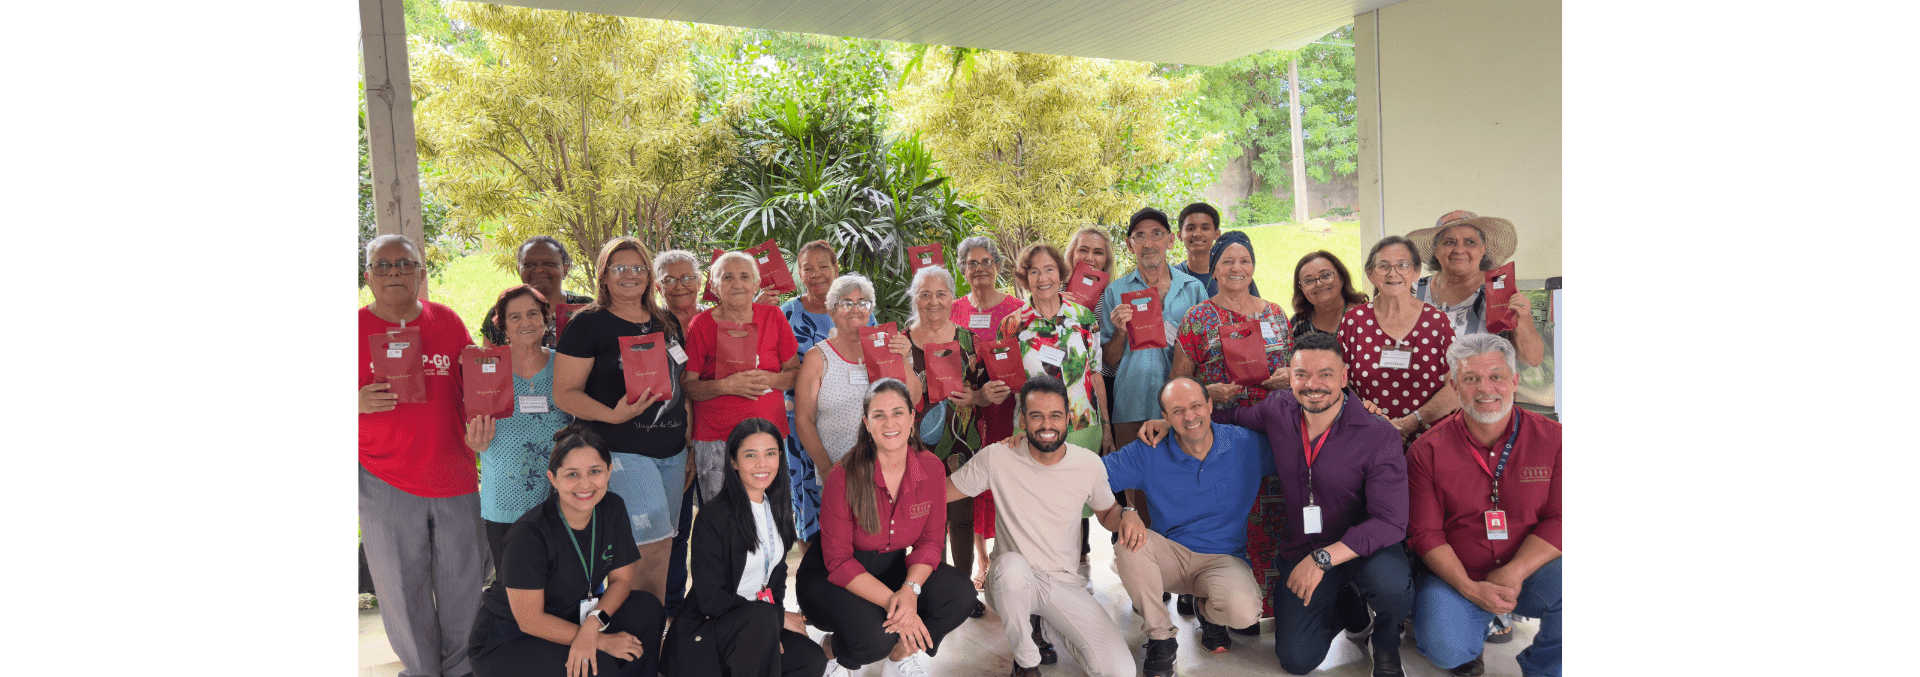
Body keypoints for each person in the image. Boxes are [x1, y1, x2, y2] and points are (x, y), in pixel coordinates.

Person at [1150, 332, 1412, 677]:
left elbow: (1390, 522)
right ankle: (1349, 604)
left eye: (1326, 374)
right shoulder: (1278, 409)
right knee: (1296, 659)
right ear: (1290, 377)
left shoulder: (1378, 433)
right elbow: (1232, 418)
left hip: (1365, 548)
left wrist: (1323, 559)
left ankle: (1386, 644)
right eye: (1302, 374)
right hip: (1306, 544)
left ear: (1344, 377)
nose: (1313, 385)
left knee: (1392, 586)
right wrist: (1176, 422)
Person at [359, 233, 488, 677]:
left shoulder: (446, 320)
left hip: (454, 473)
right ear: (368, 276)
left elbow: (473, 386)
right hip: (384, 477)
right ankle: (421, 671)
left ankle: (461, 670)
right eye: (383, 265)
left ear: (421, 273)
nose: (394, 272)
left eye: (404, 263)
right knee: (400, 588)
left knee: (464, 585)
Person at [944, 376, 1134, 677]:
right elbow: (941, 492)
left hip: (1064, 583)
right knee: (1012, 568)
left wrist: (1128, 514)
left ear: (1068, 418)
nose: (1047, 424)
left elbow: (1108, 512)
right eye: (1036, 416)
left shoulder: (1088, 464)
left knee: (1120, 671)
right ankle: (1026, 663)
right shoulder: (998, 456)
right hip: (1010, 582)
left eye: (1055, 415)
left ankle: (1048, 624)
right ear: (1023, 420)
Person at [798, 379, 976, 677]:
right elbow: (838, 560)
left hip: (890, 566)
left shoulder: (932, 468)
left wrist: (910, 590)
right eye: (879, 415)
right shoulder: (842, 476)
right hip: (831, 576)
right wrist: (897, 602)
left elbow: (930, 543)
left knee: (960, 594)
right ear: (867, 423)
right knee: (874, 637)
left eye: (897, 413)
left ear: (912, 418)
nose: (889, 423)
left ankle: (899, 656)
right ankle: (832, 651)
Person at [1406, 334, 1561, 677]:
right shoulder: (1425, 451)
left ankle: (1546, 667)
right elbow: (1425, 533)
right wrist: (1470, 589)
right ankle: (1474, 622)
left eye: (1496, 377)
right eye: (1471, 379)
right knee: (1447, 650)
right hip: (1459, 575)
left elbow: (1563, 517)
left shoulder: (1556, 439)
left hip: (1531, 572)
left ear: (1514, 381)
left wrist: (1514, 571)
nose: (1485, 389)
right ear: (1454, 386)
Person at [1102, 378, 1274, 677]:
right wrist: (1125, 512)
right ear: (1164, 417)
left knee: (1244, 613)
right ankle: (1161, 638)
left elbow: (1300, 448)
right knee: (1128, 542)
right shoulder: (1150, 449)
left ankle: (1208, 612)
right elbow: (1093, 477)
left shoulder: (1245, 443)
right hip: (1170, 555)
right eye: (1178, 411)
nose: (1190, 416)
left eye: (1196, 406)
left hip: (1223, 559)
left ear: (1210, 405)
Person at [467, 425, 666, 677]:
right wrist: (600, 641)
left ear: (609, 471)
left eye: (595, 471)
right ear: (553, 478)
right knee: (597, 666)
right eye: (572, 474)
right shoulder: (529, 534)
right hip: (512, 636)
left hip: (574, 616)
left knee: (648, 609)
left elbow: (622, 581)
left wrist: (593, 624)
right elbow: (530, 620)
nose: (585, 484)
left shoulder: (612, 508)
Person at [552, 237, 685, 604]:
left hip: (672, 451)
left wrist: (687, 443)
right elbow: (564, 393)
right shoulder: (588, 324)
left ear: (649, 276)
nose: (630, 275)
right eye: (620, 268)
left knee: (663, 544)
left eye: (638, 268)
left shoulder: (667, 321)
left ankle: (646, 625)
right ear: (604, 275)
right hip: (622, 450)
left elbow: (680, 384)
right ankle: (636, 629)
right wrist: (613, 414)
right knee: (647, 547)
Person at [661, 418, 825, 677]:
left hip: (758, 622)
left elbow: (777, 576)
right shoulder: (713, 517)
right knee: (761, 622)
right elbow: (710, 599)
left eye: (770, 453)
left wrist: (771, 625)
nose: (762, 463)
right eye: (751, 455)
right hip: (712, 628)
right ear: (734, 462)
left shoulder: (777, 508)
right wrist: (774, 619)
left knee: (811, 659)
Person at [1100, 207, 1209, 526]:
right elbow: (1107, 362)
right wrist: (1120, 332)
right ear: (1129, 244)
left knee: (1186, 492)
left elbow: (1205, 354)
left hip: (1183, 410)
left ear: (1171, 240)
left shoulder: (1193, 289)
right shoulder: (1115, 292)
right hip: (1131, 406)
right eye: (1140, 236)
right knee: (1138, 503)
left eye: (1157, 234)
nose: (1149, 243)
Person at [794, 274, 922, 546]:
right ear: (831, 311)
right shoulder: (818, 357)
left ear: (871, 310)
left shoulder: (888, 348)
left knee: (888, 546)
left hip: (888, 469)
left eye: (862, 302)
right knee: (842, 547)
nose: (855, 309)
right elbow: (803, 420)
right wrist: (826, 469)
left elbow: (911, 398)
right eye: (846, 303)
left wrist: (903, 359)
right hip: (840, 473)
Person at [466, 285, 577, 568]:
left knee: (563, 580)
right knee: (512, 583)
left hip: (561, 498)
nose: (525, 322)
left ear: (546, 319)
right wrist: (475, 442)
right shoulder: (487, 368)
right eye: (514, 317)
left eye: (532, 313)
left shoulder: (565, 365)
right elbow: (471, 431)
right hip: (505, 499)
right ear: (502, 325)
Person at [683, 252, 802, 503]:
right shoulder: (701, 324)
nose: (737, 283)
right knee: (721, 516)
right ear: (714, 286)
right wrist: (724, 386)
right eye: (727, 277)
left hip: (767, 436)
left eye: (744, 276)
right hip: (716, 437)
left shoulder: (774, 317)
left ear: (756, 284)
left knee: (770, 515)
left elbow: (794, 373)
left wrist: (767, 379)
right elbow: (689, 386)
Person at [781, 241, 876, 554]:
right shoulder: (786, 314)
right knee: (810, 506)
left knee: (861, 517)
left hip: (855, 426)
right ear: (799, 274)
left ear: (836, 269)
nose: (816, 273)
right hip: (802, 425)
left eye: (823, 266)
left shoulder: (861, 311)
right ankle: (815, 576)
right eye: (807, 268)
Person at [902, 265, 988, 594]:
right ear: (914, 298)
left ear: (953, 297)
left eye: (941, 293)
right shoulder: (901, 343)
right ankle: (931, 592)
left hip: (962, 445)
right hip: (917, 449)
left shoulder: (969, 340)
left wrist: (975, 396)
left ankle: (962, 592)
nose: (934, 301)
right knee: (926, 524)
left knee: (962, 520)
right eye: (925, 294)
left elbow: (985, 393)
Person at [950, 235, 1022, 585]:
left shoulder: (1016, 309)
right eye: (972, 263)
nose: (979, 268)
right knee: (972, 481)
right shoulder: (953, 310)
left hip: (1006, 407)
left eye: (986, 262)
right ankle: (981, 559)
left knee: (1006, 478)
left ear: (998, 266)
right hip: (965, 412)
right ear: (963, 270)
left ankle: (1004, 556)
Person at [1340, 236, 1460, 442]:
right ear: (1370, 274)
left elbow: (1456, 386)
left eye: (1403, 265)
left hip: (1431, 442)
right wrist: (1373, 421)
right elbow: (1339, 382)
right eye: (1383, 266)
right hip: (1369, 438)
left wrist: (1411, 422)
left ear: (1416, 272)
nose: (1392, 273)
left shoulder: (1437, 322)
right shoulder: (1354, 321)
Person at [1407, 211, 1544, 368]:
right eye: (1449, 242)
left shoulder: (1500, 290)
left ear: (1483, 249)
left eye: (1470, 242)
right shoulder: (1413, 291)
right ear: (1436, 250)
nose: (1459, 250)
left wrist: (1521, 318)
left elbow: (1532, 358)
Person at [652, 248, 706, 617]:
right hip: (675, 441)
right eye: (669, 280)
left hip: (720, 436)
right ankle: (669, 610)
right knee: (674, 530)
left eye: (687, 277)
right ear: (657, 286)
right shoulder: (651, 325)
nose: (680, 286)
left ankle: (716, 604)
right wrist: (688, 446)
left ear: (700, 281)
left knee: (724, 526)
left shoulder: (717, 320)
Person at [484, 235, 596, 348]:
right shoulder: (500, 312)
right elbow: (488, 356)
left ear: (565, 269)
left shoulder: (587, 308)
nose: (538, 270)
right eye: (529, 265)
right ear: (519, 270)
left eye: (549, 264)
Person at [1064, 226, 1121, 445]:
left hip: (1103, 386)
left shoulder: (1113, 296)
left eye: (1098, 252)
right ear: (1072, 254)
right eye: (1083, 250)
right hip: (1063, 385)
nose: (1090, 257)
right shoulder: (1054, 292)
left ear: (1106, 261)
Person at [1169, 202, 1261, 297]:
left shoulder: (1235, 275)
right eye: (1191, 229)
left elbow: (1255, 305)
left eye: (1205, 228)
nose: (1197, 234)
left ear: (1217, 234)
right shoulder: (1169, 277)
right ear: (1180, 235)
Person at [1289, 250, 1370, 340]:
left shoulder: (1368, 316)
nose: (1319, 284)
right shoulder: (1297, 325)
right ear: (1301, 289)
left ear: (1342, 277)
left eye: (1326, 275)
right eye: (1308, 281)